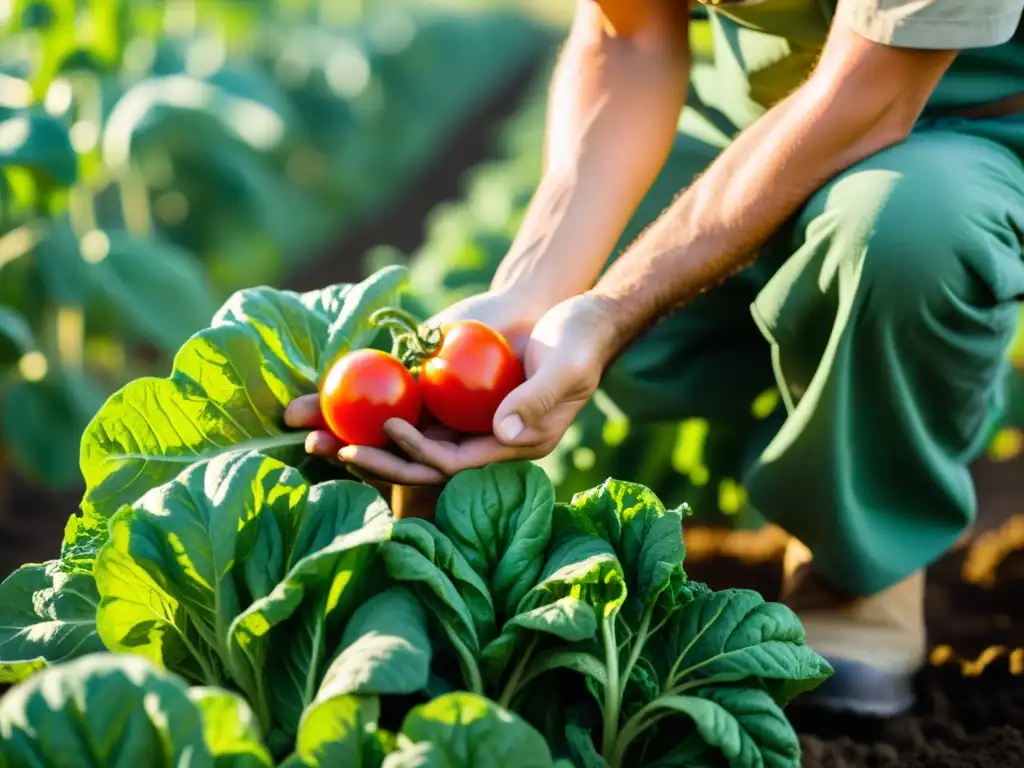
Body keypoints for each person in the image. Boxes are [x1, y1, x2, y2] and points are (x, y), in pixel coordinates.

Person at [286, 0, 1024, 716]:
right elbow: (628, 38)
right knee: (606, 250)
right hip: (762, 115)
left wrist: (614, 310)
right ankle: (832, 397)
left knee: (900, 239)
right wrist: (532, 296)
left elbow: (873, 95)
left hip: (966, 129)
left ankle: (858, 556)